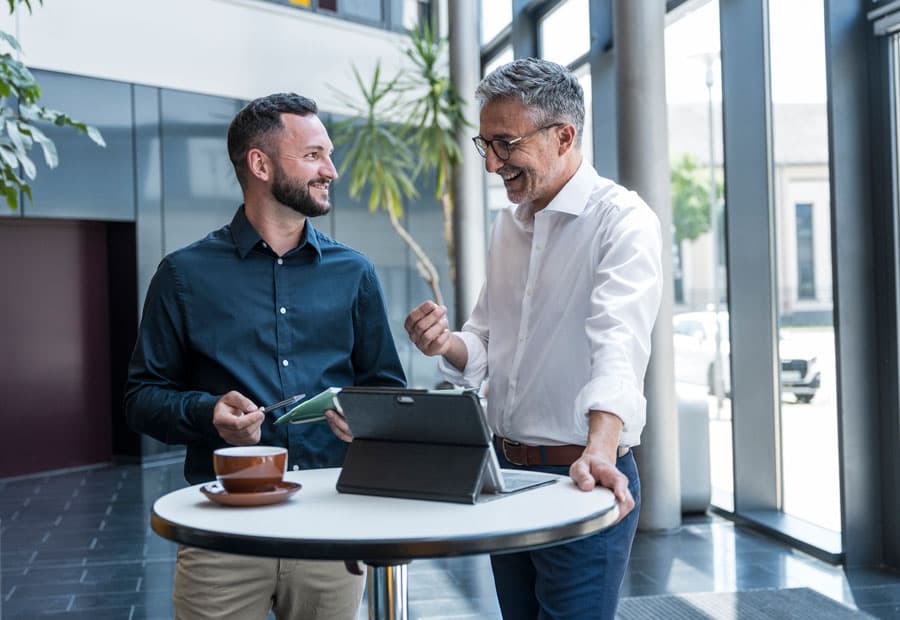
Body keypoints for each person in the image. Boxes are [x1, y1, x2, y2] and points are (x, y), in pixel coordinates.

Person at [125, 92, 406, 620]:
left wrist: (365, 415)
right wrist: (207, 413)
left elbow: (386, 390)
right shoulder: (183, 275)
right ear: (260, 164)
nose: (332, 170)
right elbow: (141, 399)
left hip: (332, 526)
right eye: (314, 156)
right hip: (223, 535)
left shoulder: (356, 273)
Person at [404, 58, 663, 619]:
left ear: (563, 136)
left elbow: (619, 344)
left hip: (583, 478)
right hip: (508, 475)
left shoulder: (622, 221)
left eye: (505, 144)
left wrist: (598, 450)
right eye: (485, 144)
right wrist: (444, 343)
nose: (493, 163)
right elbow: (486, 340)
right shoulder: (509, 225)